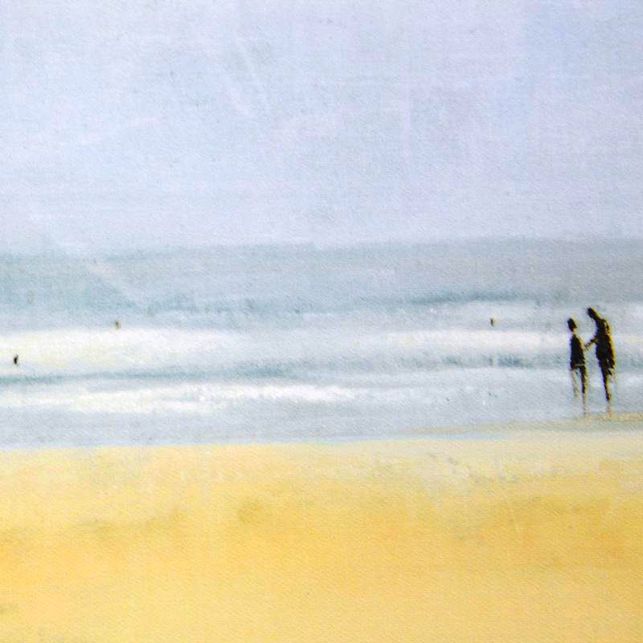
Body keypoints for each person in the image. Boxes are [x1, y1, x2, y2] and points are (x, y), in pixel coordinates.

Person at [585, 307, 615, 406]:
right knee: (606, 373)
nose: (591, 318)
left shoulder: (601, 323)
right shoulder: (601, 323)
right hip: (605, 351)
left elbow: (600, 336)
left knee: (605, 373)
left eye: (590, 316)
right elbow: (600, 336)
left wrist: (589, 344)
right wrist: (589, 344)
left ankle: (608, 395)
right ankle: (608, 394)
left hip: (604, 351)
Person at [567, 319, 587, 411]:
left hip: (574, 362)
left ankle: (578, 403)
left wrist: (572, 363)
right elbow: (582, 350)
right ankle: (583, 403)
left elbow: (574, 352)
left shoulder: (573, 338)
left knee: (575, 384)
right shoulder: (578, 338)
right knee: (583, 383)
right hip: (581, 361)